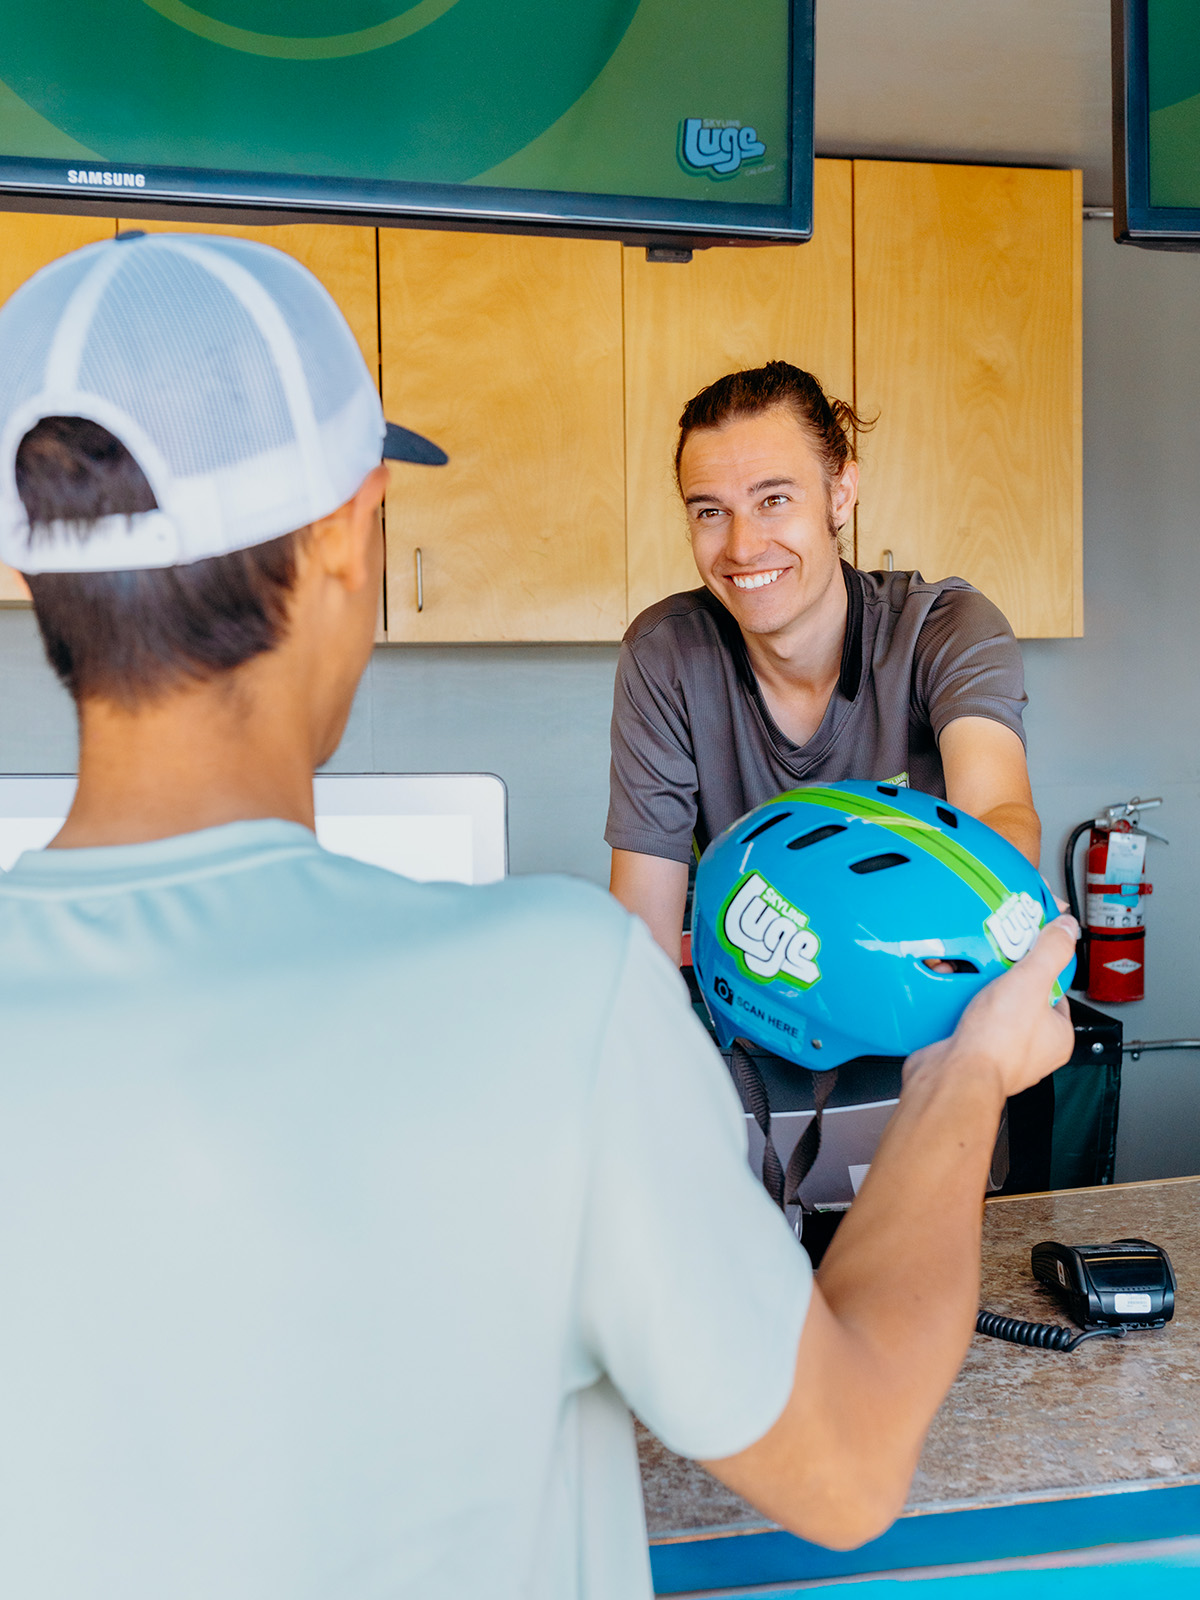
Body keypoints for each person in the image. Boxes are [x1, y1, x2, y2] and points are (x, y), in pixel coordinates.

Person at [0, 232, 1075, 1600]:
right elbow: (850, 1466)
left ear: (37, 573)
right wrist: (968, 1071)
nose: (743, 543)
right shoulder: (555, 1001)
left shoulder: (932, 633)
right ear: (350, 533)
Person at [607, 361, 1041, 961]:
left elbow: (997, 814)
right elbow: (642, 933)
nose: (742, 546)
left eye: (774, 499)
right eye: (710, 511)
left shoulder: (943, 629)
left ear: (841, 495)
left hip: (934, 1023)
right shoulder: (666, 656)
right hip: (753, 1039)